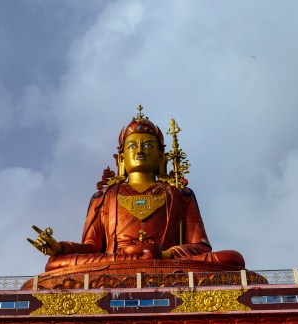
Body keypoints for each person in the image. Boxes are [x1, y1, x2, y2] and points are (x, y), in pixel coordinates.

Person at [28, 107, 245, 271]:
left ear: (161, 157)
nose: (140, 151)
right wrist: (60, 248)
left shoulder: (179, 195)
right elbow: (93, 247)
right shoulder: (104, 197)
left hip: (164, 262)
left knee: (232, 259)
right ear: (122, 158)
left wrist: (166, 254)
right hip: (116, 262)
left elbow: (201, 247)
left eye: (148, 146)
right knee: (56, 263)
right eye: (133, 146)